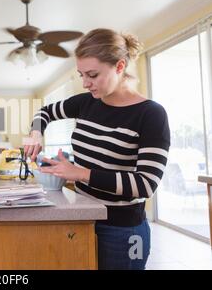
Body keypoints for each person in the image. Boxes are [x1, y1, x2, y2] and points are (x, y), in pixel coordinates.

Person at [24, 28, 170, 270]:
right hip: (82, 218)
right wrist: (36, 132)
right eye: (81, 75)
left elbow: (145, 184)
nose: (85, 83)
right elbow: (45, 112)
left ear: (120, 66)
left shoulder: (151, 114)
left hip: (123, 231)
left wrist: (80, 173)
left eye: (92, 74)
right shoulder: (86, 103)